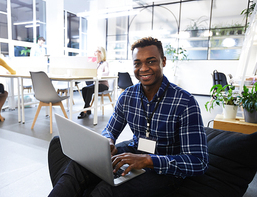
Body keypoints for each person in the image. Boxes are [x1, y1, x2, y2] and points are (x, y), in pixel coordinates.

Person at [47, 37, 208, 197]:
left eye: (151, 61)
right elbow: (110, 130)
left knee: (106, 191)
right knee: (77, 167)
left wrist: (148, 160)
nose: (143, 68)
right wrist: (108, 142)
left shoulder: (185, 102)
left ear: (163, 61)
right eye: (137, 63)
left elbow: (198, 161)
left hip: (166, 169)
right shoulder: (128, 96)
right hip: (134, 151)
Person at [78, 46, 110, 119]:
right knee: (84, 89)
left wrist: (99, 75)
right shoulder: (94, 63)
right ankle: (88, 107)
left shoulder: (105, 63)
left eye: (98, 51)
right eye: (95, 51)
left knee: (89, 89)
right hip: (95, 83)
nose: (96, 53)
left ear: (102, 53)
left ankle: (85, 110)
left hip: (103, 84)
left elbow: (107, 73)